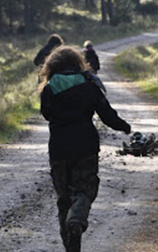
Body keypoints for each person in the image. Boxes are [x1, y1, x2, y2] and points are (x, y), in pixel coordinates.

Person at [39, 46, 131, 252]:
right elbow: (107, 115)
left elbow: (46, 113)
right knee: (84, 191)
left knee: (63, 200)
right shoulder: (90, 85)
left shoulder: (49, 88)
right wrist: (125, 127)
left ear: (52, 66)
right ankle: (78, 219)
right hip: (85, 148)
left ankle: (72, 247)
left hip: (59, 150)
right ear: (77, 63)